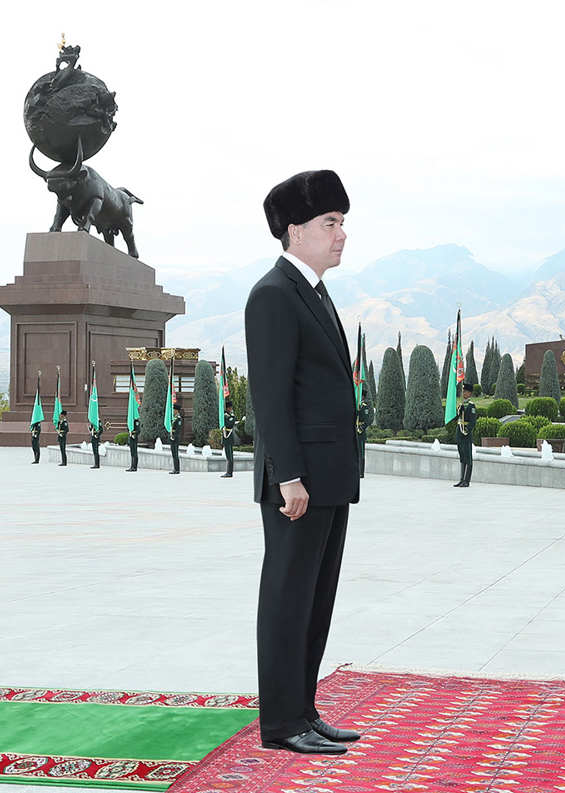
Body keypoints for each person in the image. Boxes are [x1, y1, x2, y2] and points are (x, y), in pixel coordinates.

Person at [245, 169, 360, 756]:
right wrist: (287, 475)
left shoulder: (313, 291)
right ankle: (282, 722)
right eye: (330, 223)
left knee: (316, 599)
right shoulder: (272, 295)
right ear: (295, 231)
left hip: (329, 478)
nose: (341, 234)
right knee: (288, 598)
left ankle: (304, 711)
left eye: (342, 223)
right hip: (298, 483)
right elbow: (270, 396)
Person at [453, 383, 478, 487]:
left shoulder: (471, 406)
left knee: (468, 455)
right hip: (459, 431)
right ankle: (461, 479)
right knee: (462, 454)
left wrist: (467, 430)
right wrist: (459, 411)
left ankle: (467, 480)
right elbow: (457, 418)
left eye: (466, 392)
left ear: (470, 393)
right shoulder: (461, 404)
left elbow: (472, 421)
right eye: (463, 391)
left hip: (466, 432)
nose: (464, 393)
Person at [356, 397, 371, 478]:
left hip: (361, 434)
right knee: (356, 453)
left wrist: (360, 429)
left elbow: (366, 421)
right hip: (355, 432)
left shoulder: (364, 406)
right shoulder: (357, 405)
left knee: (361, 453)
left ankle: (361, 473)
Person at [221, 399, 236, 478]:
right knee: (228, 456)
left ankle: (229, 472)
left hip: (229, 437)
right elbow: (228, 423)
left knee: (230, 456)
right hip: (226, 437)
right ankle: (229, 472)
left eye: (231, 408)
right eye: (229, 408)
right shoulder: (225, 416)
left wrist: (232, 417)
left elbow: (231, 423)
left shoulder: (229, 416)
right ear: (227, 408)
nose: (231, 409)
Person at [169, 403, 183, 474]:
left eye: (174, 410)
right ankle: (175, 468)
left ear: (176, 410)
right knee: (173, 453)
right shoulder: (174, 418)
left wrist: (174, 436)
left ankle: (177, 469)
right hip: (172, 437)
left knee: (175, 453)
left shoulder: (178, 419)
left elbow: (178, 429)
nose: (173, 411)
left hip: (176, 438)